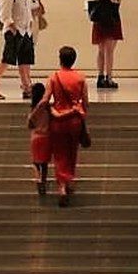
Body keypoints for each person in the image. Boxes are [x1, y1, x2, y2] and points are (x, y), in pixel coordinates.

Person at [42, 46, 88, 207]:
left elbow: (45, 99)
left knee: (59, 154)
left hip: (58, 121)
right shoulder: (81, 78)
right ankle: (68, 181)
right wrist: (81, 115)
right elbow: (85, 102)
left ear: (60, 59)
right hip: (75, 120)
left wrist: (46, 111)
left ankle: (61, 186)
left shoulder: (54, 77)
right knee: (71, 152)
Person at [88, 0, 123, 89]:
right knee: (110, 52)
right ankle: (109, 77)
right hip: (110, 23)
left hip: (100, 22)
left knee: (101, 51)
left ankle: (100, 76)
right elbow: (114, 4)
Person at [26, 81, 51, 196]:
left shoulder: (33, 109)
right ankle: (44, 180)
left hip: (36, 137)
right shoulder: (48, 108)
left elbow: (29, 124)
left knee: (36, 162)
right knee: (44, 163)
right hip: (46, 137)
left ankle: (38, 180)